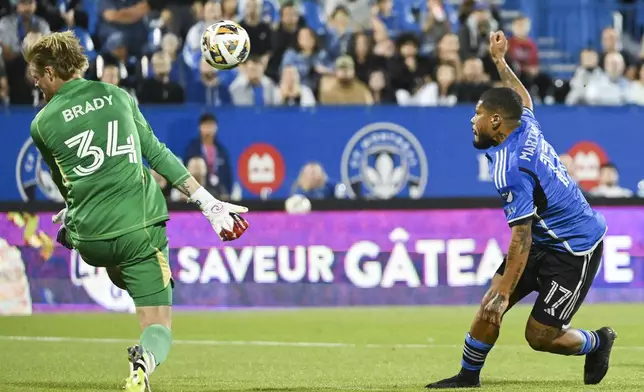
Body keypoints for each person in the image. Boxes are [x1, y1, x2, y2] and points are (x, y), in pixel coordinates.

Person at [23, 31, 250, 392]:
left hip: (90, 240)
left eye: (36, 75)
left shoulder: (42, 124)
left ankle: (112, 257)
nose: (35, 82)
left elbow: (65, 181)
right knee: (158, 323)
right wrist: (208, 202)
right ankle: (143, 361)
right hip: (138, 232)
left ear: (50, 72)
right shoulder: (116, 96)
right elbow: (157, 154)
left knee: (119, 261)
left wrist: (73, 213)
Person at [426, 31, 616, 389]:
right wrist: (499, 62)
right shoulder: (523, 124)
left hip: (574, 247)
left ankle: (598, 340)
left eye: (478, 114)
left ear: (497, 122)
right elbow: (523, 98)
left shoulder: (510, 166)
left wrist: (503, 290)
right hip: (544, 238)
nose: (472, 121)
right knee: (489, 304)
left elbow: (521, 237)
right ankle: (468, 378)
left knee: (539, 335)